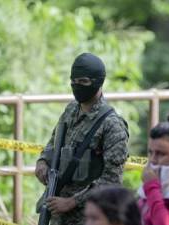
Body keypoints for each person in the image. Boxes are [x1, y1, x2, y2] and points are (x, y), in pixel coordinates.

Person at [35, 53, 129, 225]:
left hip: (89, 216)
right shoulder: (71, 110)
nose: (77, 86)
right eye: (73, 81)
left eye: (83, 82)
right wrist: (42, 162)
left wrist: (72, 202)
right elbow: (53, 143)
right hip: (56, 209)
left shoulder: (112, 126)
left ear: (98, 81)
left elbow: (112, 181)